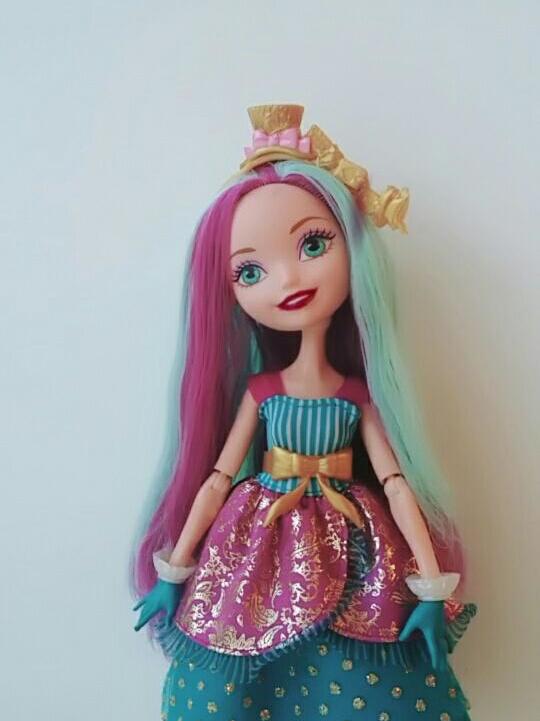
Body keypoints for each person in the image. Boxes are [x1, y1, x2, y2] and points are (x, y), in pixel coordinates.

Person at [131, 104, 477, 720]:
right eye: (250, 271)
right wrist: (175, 569)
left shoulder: (358, 395)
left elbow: (397, 485)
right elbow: (217, 479)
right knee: (238, 639)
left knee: (371, 650)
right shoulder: (262, 391)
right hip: (257, 533)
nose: (287, 279)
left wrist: (430, 587)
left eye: (313, 244)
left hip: (354, 530)